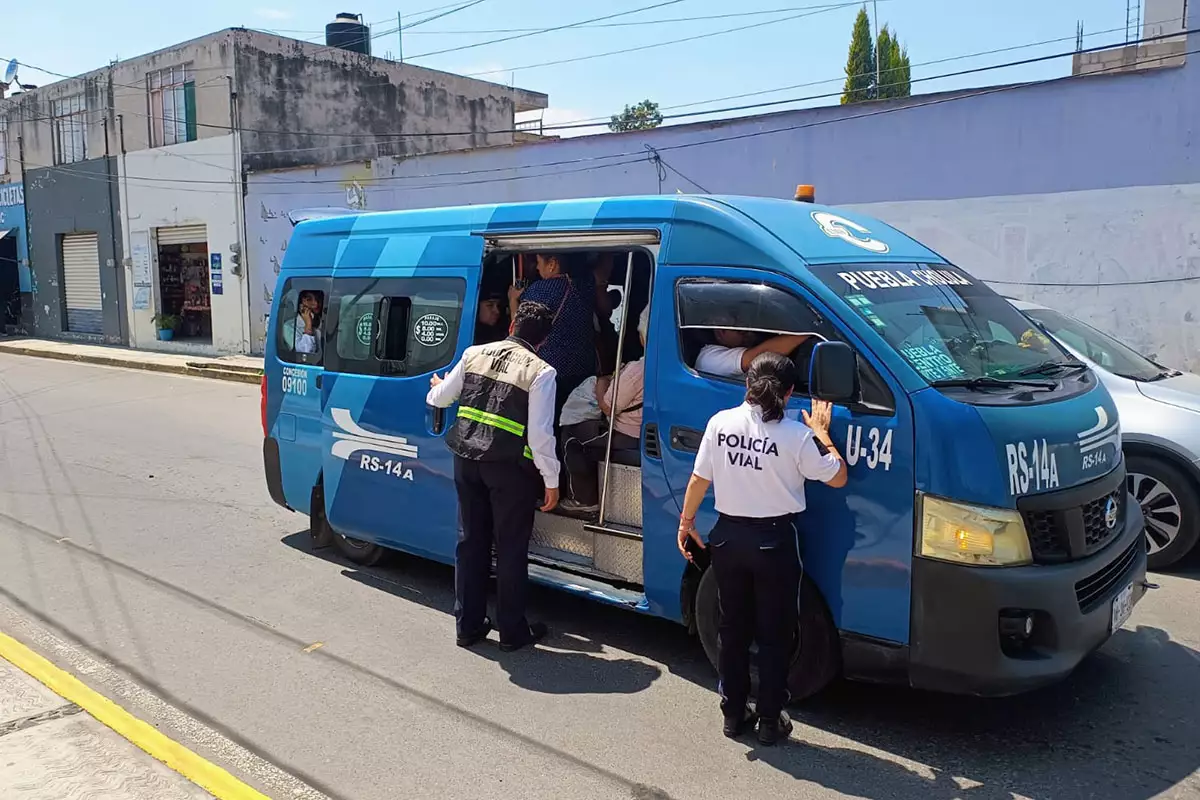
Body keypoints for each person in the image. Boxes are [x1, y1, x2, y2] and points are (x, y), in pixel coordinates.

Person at [677, 352, 848, 746]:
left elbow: (699, 481)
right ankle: (771, 720)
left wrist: (686, 524)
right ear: (789, 393)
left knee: (732, 631)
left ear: (748, 384)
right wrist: (822, 434)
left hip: (727, 539)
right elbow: (837, 477)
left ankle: (733, 714)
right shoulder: (796, 436)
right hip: (774, 543)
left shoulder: (720, 423)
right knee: (774, 634)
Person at [426, 300, 561, 652]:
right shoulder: (541, 371)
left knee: (470, 542)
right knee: (510, 548)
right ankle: (512, 632)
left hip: (466, 460)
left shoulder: (474, 353)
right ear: (543, 341)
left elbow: (440, 398)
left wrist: (438, 385)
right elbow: (540, 436)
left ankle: (468, 626)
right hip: (509, 470)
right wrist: (552, 480)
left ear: (513, 323)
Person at [559, 304, 649, 514]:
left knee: (572, 436)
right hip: (643, 431)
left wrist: (602, 381)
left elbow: (608, 406)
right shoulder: (662, 366)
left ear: (644, 336)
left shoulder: (639, 369)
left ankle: (583, 498)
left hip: (626, 435)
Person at [509, 252, 598, 419]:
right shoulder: (584, 287)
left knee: (547, 419)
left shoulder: (540, 290)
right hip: (582, 368)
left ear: (552, 264)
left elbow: (521, 329)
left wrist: (513, 300)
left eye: (538, 262)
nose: (536, 267)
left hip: (551, 369)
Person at [696, 329, 814, 378]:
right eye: (741, 332)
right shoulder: (709, 358)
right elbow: (764, 354)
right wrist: (810, 331)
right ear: (721, 332)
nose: (749, 334)